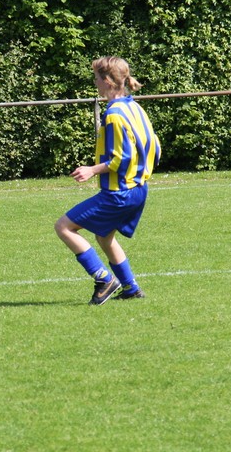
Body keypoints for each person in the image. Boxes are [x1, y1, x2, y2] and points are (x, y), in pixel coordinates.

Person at [54, 56, 160, 304]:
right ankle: (131, 287)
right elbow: (155, 145)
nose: (95, 83)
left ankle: (104, 279)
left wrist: (92, 170)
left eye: (96, 78)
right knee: (104, 237)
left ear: (108, 81)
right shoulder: (135, 108)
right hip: (138, 190)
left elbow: (120, 158)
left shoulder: (113, 115)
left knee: (64, 227)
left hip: (119, 193)